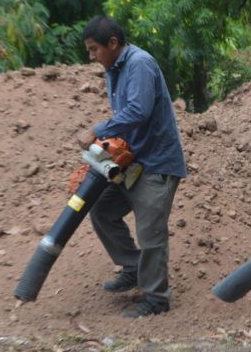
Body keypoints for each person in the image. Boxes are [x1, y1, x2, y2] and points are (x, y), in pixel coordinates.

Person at [78, 16, 186, 318]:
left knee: (150, 232)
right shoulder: (114, 69)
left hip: (157, 163)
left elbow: (138, 111)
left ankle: (157, 299)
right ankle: (133, 267)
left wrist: (97, 130)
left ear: (113, 43)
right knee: (101, 208)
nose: (92, 56)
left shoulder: (139, 63)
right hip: (134, 161)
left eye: (94, 49)